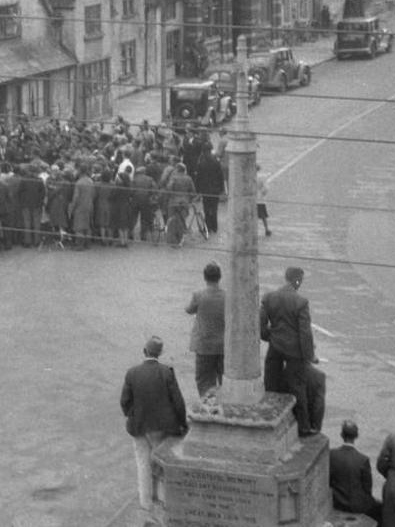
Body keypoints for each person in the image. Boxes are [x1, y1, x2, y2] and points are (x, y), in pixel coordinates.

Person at [120, 336, 189, 518]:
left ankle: (146, 503)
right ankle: (162, 498)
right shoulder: (167, 372)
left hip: (139, 426)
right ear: (160, 353)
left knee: (143, 463)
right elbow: (178, 402)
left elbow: (125, 402)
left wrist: (132, 415)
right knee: (160, 463)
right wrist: (182, 424)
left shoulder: (132, 373)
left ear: (144, 351)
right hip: (162, 427)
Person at [259, 267, 317, 436]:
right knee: (297, 387)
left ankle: (268, 419)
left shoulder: (269, 298)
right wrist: (309, 356)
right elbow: (305, 332)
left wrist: (269, 336)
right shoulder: (301, 302)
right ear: (297, 281)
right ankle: (303, 426)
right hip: (295, 352)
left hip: (275, 347)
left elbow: (260, 323)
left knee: (271, 383)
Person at [329, 420, 382, 525]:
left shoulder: (332, 455)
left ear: (341, 435)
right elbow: (368, 488)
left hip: (337, 501)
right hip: (357, 504)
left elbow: (329, 479)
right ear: (356, 436)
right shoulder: (363, 460)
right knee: (381, 508)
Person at [185, 262, 225, 397]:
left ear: (205, 277)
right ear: (219, 277)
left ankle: (207, 407)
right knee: (224, 380)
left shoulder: (198, 295)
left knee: (204, 381)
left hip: (204, 346)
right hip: (223, 346)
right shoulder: (227, 296)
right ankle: (224, 405)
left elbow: (189, 310)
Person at [195, 151, 225, 235]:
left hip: (205, 190)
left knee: (206, 209)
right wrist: (221, 188)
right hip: (215, 190)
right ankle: (214, 226)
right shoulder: (216, 163)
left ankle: (208, 226)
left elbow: (198, 177)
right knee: (214, 208)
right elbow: (220, 176)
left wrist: (197, 190)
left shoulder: (201, 163)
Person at [68, 167, 96, 250]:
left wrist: (72, 207)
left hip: (80, 206)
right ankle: (88, 244)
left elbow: (76, 197)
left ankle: (79, 245)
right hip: (90, 205)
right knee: (88, 225)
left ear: (80, 172)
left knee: (79, 226)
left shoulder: (79, 183)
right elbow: (94, 194)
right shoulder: (91, 181)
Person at [256, 165, 271, 237]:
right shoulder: (261, 177)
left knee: (252, 215)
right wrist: (262, 194)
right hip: (260, 199)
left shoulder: (250, 176)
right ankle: (266, 229)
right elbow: (266, 188)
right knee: (263, 215)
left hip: (252, 198)